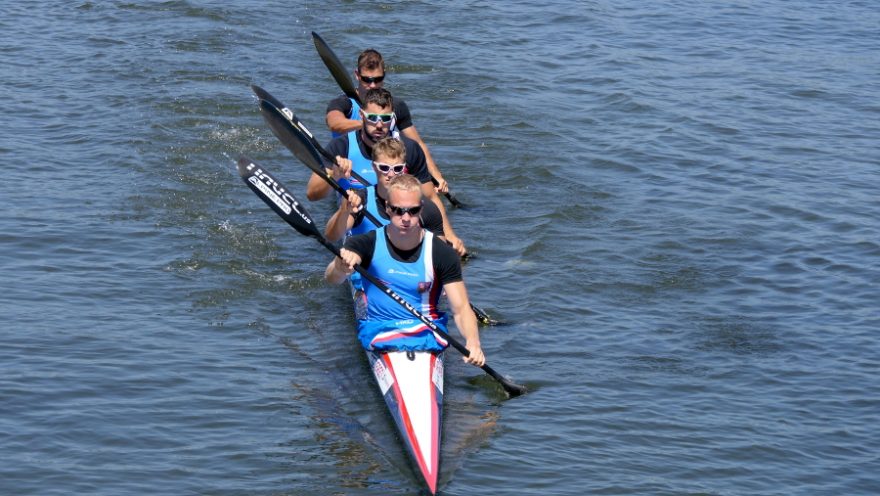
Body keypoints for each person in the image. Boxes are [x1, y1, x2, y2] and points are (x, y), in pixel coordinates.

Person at [324, 174, 485, 366]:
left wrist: (473, 343)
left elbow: (460, 309)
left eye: (413, 211)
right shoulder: (365, 243)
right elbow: (332, 278)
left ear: (421, 210)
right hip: (381, 331)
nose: (406, 218)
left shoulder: (442, 253)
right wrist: (341, 267)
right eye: (398, 211)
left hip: (426, 333)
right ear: (387, 208)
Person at [309, 88, 466, 256]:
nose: (379, 125)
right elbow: (312, 194)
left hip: (401, 220)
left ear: (393, 119)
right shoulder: (341, 147)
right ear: (361, 116)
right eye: (373, 118)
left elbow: (430, 197)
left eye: (385, 119)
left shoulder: (410, 149)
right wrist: (334, 174)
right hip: (357, 221)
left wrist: (450, 236)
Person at [325, 48, 449, 193]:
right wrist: (370, 122)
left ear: (384, 76)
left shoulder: (395, 106)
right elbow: (334, 123)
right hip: (351, 171)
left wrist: (437, 177)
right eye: (367, 80)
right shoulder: (344, 103)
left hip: (387, 171)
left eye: (378, 80)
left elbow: (417, 143)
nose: (372, 85)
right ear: (357, 75)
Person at [325, 137, 446, 243]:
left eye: (397, 168)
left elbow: (440, 258)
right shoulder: (360, 200)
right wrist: (343, 211)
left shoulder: (427, 209)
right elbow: (332, 237)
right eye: (384, 168)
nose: (391, 174)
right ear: (374, 167)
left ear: (404, 169)